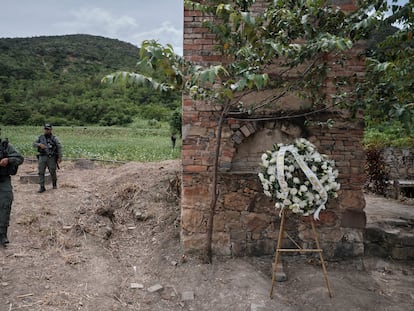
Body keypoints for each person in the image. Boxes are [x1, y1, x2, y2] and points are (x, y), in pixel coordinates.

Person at [0, 127, 24, 247]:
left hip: (3, 180)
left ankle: (2, 234)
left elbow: (20, 158)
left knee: (5, 205)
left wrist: (8, 160)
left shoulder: (6, 147)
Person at [33, 124, 62, 193]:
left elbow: (59, 147)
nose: (46, 130)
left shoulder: (54, 138)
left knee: (52, 171)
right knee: (41, 172)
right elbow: (34, 144)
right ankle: (42, 187)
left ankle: (54, 184)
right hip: (42, 156)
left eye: (48, 129)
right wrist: (39, 144)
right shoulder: (40, 137)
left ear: (51, 130)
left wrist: (60, 157)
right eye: (45, 129)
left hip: (51, 157)